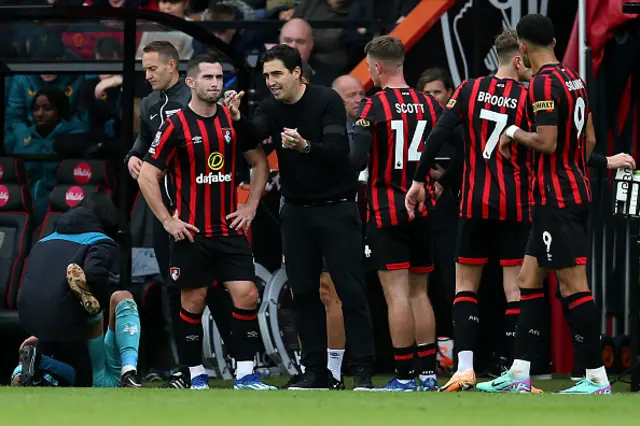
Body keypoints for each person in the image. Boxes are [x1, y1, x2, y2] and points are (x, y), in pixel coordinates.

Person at [225, 44, 375, 391]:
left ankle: (363, 370)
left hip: (337, 207)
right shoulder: (270, 107)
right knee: (303, 293)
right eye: (266, 76)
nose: (271, 81)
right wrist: (237, 120)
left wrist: (305, 147)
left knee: (351, 292)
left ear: (297, 73)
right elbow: (254, 136)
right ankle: (315, 372)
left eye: (277, 74)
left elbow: (340, 152)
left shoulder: (326, 100)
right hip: (295, 212)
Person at [476, 14, 611, 394]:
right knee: (527, 280)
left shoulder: (542, 84)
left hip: (557, 200)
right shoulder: (574, 79)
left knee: (573, 286)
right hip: (565, 194)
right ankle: (520, 374)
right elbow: (588, 143)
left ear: (522, 48)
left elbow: (548, 141)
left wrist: (512, 131)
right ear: (553, 40)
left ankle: (596, 377)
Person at [406, 29, 534, 392]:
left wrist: (419, 180)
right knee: (515, 288)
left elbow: (437, 134)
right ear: (519, 58)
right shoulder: (528, 96)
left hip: (475, 202)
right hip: (515, 202)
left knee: (465, 285)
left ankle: (464, 369)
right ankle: (517, 374)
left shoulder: (468, 89)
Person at [138, 53, 274, 390]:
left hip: (229, 228)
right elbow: (147, 176)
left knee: (246, 295)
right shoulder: (175, 125)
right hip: (192, 231)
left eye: (218, 78)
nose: (215, 84)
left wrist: (251, 207)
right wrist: (169, 221)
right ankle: (195, 372)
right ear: (191, 82)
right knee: (193, 301)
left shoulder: (232, 121)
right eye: (208, 78)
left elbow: (260, 163)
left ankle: (245, 373)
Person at [347, 35, 439, 392]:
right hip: (423, 206)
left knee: (396, 294)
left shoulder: (373, 107)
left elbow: (356, 160)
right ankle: (429, 374)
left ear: (378, 67)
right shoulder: (428, 105)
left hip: (387, 209)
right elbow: (449, 149)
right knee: (420, 292)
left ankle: (403, 376)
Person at [18, 191, 142, 388]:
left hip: (31, 317)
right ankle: (129, 371)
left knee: (63, 366)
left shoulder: (43, 241)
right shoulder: (101, 241)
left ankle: (28, 367)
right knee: (120, 297)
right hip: (69, 320)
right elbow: (94, 276)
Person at [17, 264, 142, 388]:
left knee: (122, 296)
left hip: (102, 370)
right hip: (90, 375)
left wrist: (24, 362)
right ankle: (129, 372)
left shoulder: (46, 329)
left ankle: (129, 372)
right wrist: (25, 362)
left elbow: (21, 373)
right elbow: (21, 377)